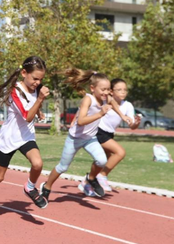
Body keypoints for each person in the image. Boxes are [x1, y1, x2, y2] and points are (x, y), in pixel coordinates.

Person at [0, 56, 49, 220]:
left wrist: (40, 109)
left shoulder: (37, 87)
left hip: (26, 136)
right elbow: (27, 116)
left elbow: (33, 105)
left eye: (40, 79)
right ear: (24, 73)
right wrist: (41, 99)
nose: (37, 82)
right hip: (10, 138)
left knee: (38, 164)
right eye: (35, 78)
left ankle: (29, 187)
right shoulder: (15, 92)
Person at [40, 69, 129, 201]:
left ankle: (91, 178)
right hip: (74, 139)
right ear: (92, 88)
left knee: (102, 160)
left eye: (108, 89)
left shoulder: (106, 98)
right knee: (63, 167)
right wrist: (100, 114)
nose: (106, 92)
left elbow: (114, 103)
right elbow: (80, 121)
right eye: (103, 89)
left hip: (90, 139)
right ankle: (46, 187)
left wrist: (123, 115)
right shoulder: (88, 99)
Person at [93, 78, 140, 192]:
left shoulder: (128, 105)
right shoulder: (106, 100)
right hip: (99, 131)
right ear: (111, 92)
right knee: (120, 152)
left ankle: (88, 181)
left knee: (103, 160)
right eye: (119, 90)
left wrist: (136, 123)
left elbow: (131, 126)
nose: (123, 92)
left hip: (109, 134)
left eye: (125, 90)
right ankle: (102, 176)